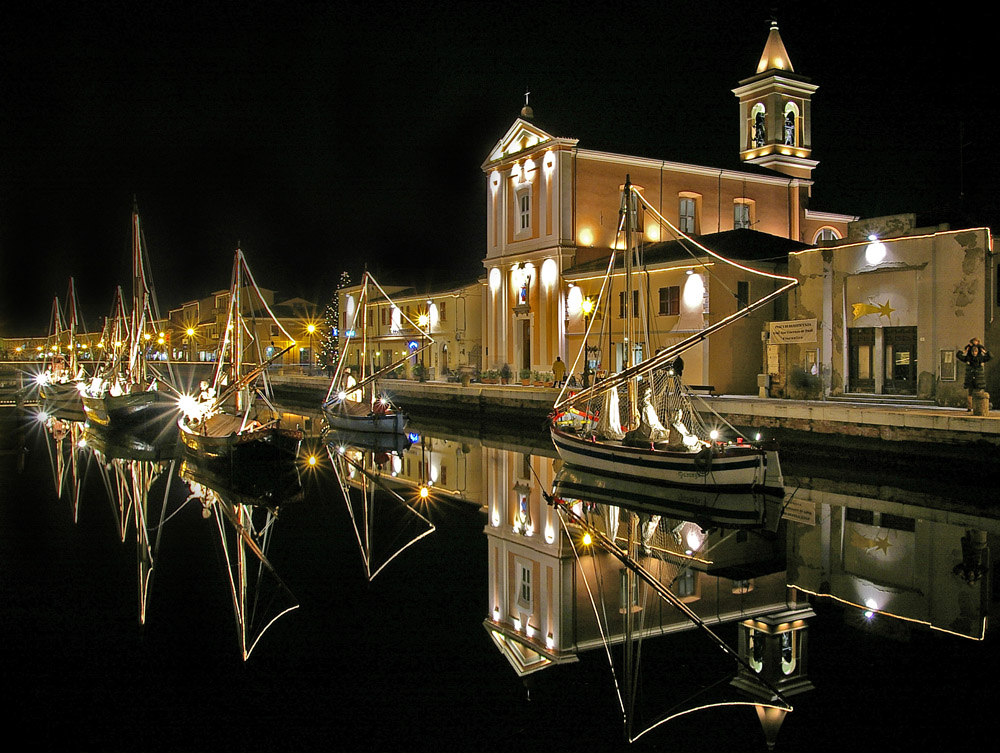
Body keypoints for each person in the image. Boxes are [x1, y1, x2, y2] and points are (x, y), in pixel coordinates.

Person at [956, 337, 991, 410]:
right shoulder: (969, 358)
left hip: (978, 378)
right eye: (973, 351)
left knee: (978, 393)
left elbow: (990, 356)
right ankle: (970, 407)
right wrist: (964, 351)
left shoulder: (980, 358)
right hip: (972, 378)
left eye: (975, 351)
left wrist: (985, 352)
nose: (974, 353)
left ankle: (978, 407)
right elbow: (959, 355)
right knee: (970, 393)